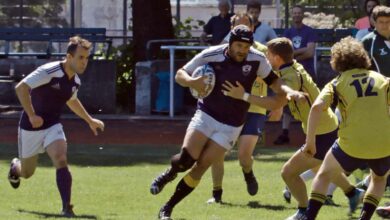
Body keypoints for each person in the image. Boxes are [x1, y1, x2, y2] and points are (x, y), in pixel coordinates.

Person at [150, 25, 304, 220]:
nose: (242, 50)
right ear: (230, 43)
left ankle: (167, 208)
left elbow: (274, 81)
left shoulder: (257, 58)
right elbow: (180, 73)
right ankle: (170, 173)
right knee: (186, 160)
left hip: (232, 125)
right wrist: (192, 82)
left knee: (201, 167)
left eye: (246, 47)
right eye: (238, 45)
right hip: (206, 115)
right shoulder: (211, 54)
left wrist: (289, 92)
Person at [227, 37, 360, 220]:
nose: (266, 58)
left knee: (288, 172)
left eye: (268, 55)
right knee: (322, 166)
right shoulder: (291, 65)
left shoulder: (289, 76)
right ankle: (353, 193)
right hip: (326, 126)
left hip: (321, 132)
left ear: (276, 58)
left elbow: (275, 102)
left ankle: (304, 211)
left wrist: (243, 95)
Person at [8, 36, 105, 217]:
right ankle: (16, 168)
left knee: (60, 159)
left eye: (87, 58)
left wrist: (89, 120)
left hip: (53, 125)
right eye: (80, 58)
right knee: (27, 173)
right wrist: (32, 115)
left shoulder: (75, 81)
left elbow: (72, 101)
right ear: (69, 57)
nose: (84, 62)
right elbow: (21, 88)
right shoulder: (49, 70)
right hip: (30, 127)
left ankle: (66, 207)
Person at [305, 36, 390, 220]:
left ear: (337, 61)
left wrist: (310, 142)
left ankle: (309, 217)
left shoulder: (337, 83)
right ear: (363, 57)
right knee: (379, 178)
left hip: (351, 144)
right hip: (384, 144)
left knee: (323, 175)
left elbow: (317, 107)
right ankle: (364, 218)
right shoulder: (382, 79)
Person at [207, 12, 268, 204]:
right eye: (237, 27)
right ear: (231, 30)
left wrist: (278, 103)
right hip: (227, 109)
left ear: (252, 28)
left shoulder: (263, 52)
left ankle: (248, 172)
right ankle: (217, 194)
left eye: (245, 26)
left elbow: (276, 79)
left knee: (243, 155)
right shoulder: (221, 53)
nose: (242, 30)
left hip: (254, 109)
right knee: (215, 153)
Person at [274, 4, 318, 145]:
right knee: (288, 101)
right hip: (290, 73)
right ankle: (285, 133)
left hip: (307, 73)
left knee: (309, 102)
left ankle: (311, 135)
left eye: (299, 13)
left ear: (303, 14)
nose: (297, 15)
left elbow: (310, 52)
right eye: (294, 13)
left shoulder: (310, 31)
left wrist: (292, 55)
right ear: (292, 15)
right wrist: (301, 51)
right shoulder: (288, 32)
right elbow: (284, 53)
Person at [361, 5, 390, 77]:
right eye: (381, 22)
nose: (385, 25)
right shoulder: (367, 41)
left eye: (388, 21)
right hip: (379, 86)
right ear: (374, 22)